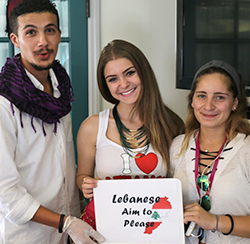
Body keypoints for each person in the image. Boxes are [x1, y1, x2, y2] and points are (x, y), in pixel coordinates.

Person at [0, 0, 104, 243]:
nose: (42, 42)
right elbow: (5, 193)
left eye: (49, 30)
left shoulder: (61, 90)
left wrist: (74, 217)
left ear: (59, 34)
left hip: (69, 232)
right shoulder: (4, 102)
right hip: (28, 236)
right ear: (15, 40)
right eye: (30, 32)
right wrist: (64, 222)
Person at [76, 39, 185, 229]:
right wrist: (85, 184)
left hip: (157, 231)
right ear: (106, 85)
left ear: (143, 72)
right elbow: (82, 175)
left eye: (130, 73)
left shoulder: (172, 124)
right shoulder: (92, 127)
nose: (124, 84)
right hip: (108, 230)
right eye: (113, 79)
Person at [170, 60, 250, 243]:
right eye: (201, 96)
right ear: (192, 101)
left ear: (235, 102)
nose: (208, 106)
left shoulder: (247, 150)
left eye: (220, 97)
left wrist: (214, 221)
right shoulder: (177, 146)